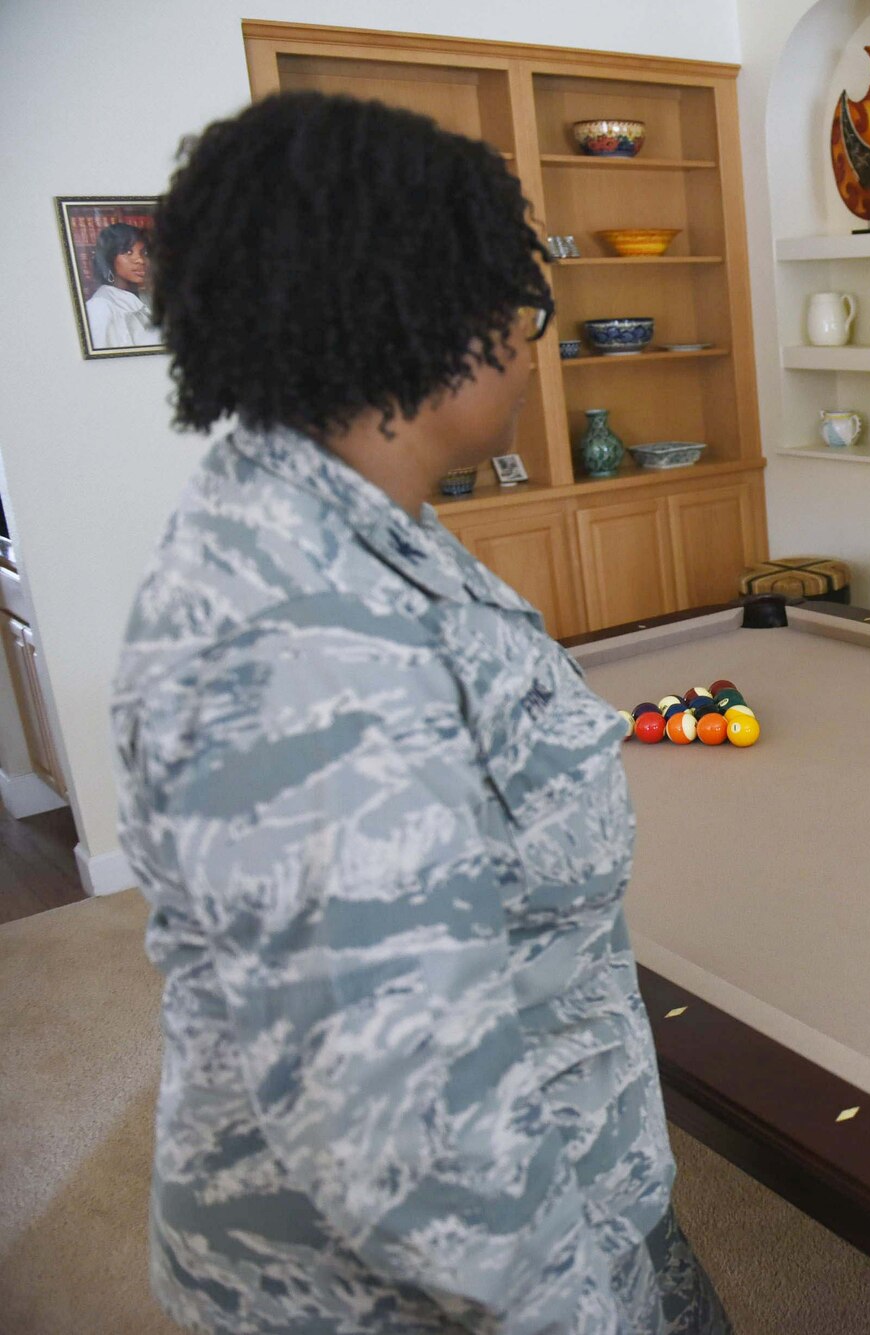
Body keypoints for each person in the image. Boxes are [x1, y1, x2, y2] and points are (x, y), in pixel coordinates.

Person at [114, 92, 730, 1333]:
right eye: (520, 299)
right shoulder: (301, 639)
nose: (530, 335)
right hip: (417, 1290)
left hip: (571, 1173)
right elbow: (404, 1139)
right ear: (426, 316)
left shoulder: (348, 522)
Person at [83, 221, 159, 348]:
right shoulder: (100, 308)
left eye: (144, 253)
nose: (140, 260)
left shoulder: (146, 301)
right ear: (110, 258)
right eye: (128, 252)